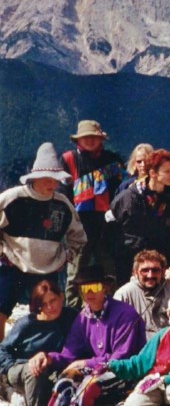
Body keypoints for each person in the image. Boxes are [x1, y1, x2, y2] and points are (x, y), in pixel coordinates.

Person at [0, 142, 86, 339]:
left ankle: (38, 355)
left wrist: (66, 257)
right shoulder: (12, 198)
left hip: (47, 270)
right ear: (35, 177)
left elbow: (78, 236)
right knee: (0, 311)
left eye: (56, 180)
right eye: (47, 179)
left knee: (47, 314)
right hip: (13, 264)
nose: (52, 184)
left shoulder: (62, 204)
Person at [29, 266, 146, 405]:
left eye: (94, 287)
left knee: (88, 388)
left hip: (126, 372)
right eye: (84, 289)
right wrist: (48, 358)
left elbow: (121, 358)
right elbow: (69, 355)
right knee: (64, 384)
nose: (89, 292)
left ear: (105, 288)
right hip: (97, 371)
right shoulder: (83, 317)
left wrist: (86, 363)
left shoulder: (125, 314)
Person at [60, 120, 124, 303]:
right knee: (75, 270)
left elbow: (118, 192)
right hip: (78, 225)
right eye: (85, 137)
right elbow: (63, 193)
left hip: (106, 226)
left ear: (100, 139)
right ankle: (72, 310)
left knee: (109, 269)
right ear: (77, 140)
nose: (89, 140)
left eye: (93, 137)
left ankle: (112, 308)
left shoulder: (113, 160)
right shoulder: (68, 159)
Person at [106, 293, 170, 406]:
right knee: (134, 403)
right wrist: (112, 366)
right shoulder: (161, 335)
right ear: (169, 315)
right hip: (154, 383)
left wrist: (166, 379)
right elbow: (140, 362)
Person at [107, 148, 170, 282]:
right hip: (129, 259)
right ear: (153, 173)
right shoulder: (129, 196)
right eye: (167, 171)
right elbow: (110, 224)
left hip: (158, 260)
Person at [0, 280, 77, 406]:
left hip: (51, 368)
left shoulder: (71, 316)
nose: (50, 307)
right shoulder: (27, 324)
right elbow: (2, 350)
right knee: (36, 370)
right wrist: (10, 366)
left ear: (61, 297)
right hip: (21, 367)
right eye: (44, 304)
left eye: (53, 301)